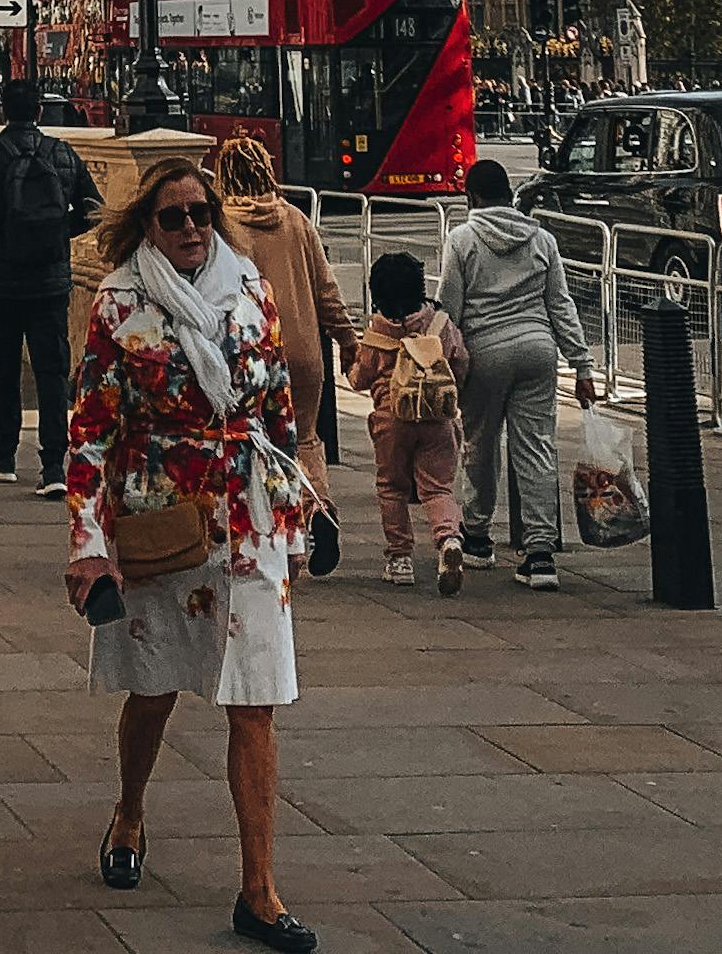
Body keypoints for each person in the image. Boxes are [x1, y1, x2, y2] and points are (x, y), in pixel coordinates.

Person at [62, 155, 320, 954]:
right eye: (171, 216)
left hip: (248, 516)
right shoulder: (119, 302)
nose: (189, 228)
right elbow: (89, 428)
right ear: (146, 224)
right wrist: (89, 543)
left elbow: (277, 411)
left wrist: (300, 512)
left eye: (200, 213)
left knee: (256, 699)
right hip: (161, 514)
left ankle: (259, 890)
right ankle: (130, 809)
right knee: (155, 689)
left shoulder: (250, 291)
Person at [437, 156, 595, 591]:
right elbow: (561, 306)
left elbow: (450, 306)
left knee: (480, 445)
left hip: (485, 352)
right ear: (510, 195)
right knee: (537, 449)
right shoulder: (542, 239)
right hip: (538, 350)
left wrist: (444, 365)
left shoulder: (462, 239)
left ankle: (478, 537)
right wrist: (581, 364)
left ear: (471, 197)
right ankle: (540, 554)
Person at [0, 73, 100, 494]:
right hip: (51, 280)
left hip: (0, 280)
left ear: (2, 112)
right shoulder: (63, 154)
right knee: (51, 373)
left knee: (2, 371)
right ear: (38, 112)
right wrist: (57, 232)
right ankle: (54, 466)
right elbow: (94, 209)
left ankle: (4, 456)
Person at [212, 138, 349, 493]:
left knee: (257, 442)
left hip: (253, 357)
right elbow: (326, 291)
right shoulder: (296, 220)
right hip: (304, 355)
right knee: (305, 440)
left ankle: (279, 523)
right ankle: (318, 510)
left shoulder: (222, 228)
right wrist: (348, 341)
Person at [345, 247, 472, 591]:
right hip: (436, 418)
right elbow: (459, 360)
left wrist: (350, 367)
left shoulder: (377, 332)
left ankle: (400, 558)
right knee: (437, 487)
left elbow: (360, 377)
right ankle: (449, 539)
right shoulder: (439, 324)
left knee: (392, 488)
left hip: (392, 419)